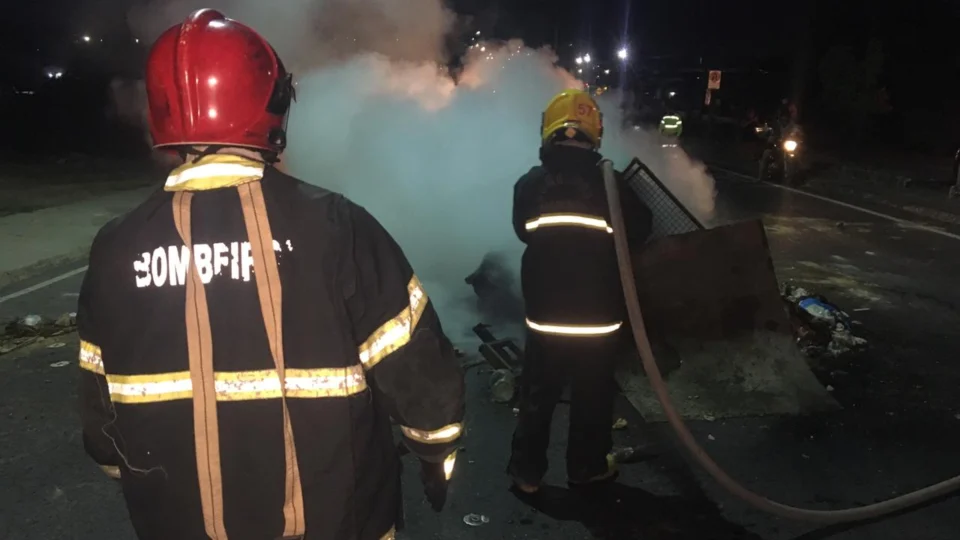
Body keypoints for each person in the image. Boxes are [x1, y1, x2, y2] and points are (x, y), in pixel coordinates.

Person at [76, 9, 465, 540]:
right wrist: (435, 449)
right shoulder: (337, 225)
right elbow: (419, 371)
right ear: (270, 103)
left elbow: (101, 425)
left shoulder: (116, 247)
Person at [507, 89, 653, 493]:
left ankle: (526, 473)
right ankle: (586, 468)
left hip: (546, 316)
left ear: (547, 130)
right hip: (598, 319)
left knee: (537, 395)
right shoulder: (612, 184)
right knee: (593, 397)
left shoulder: (530, 184)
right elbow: (641, 230)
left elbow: (522, 232)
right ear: (595, 133)